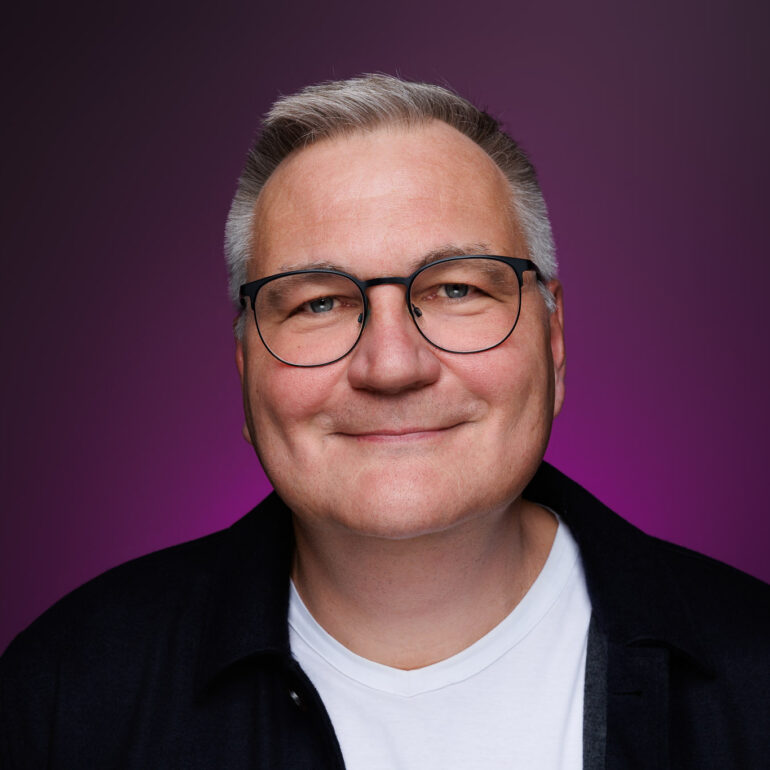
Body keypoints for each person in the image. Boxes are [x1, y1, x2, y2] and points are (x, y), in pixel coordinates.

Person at [1, 74, 768, 769]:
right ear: (244, 368)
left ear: (554, 339)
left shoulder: (755, 674)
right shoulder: (63, 699)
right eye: (319, 303)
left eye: (457, 290)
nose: (392, 365)